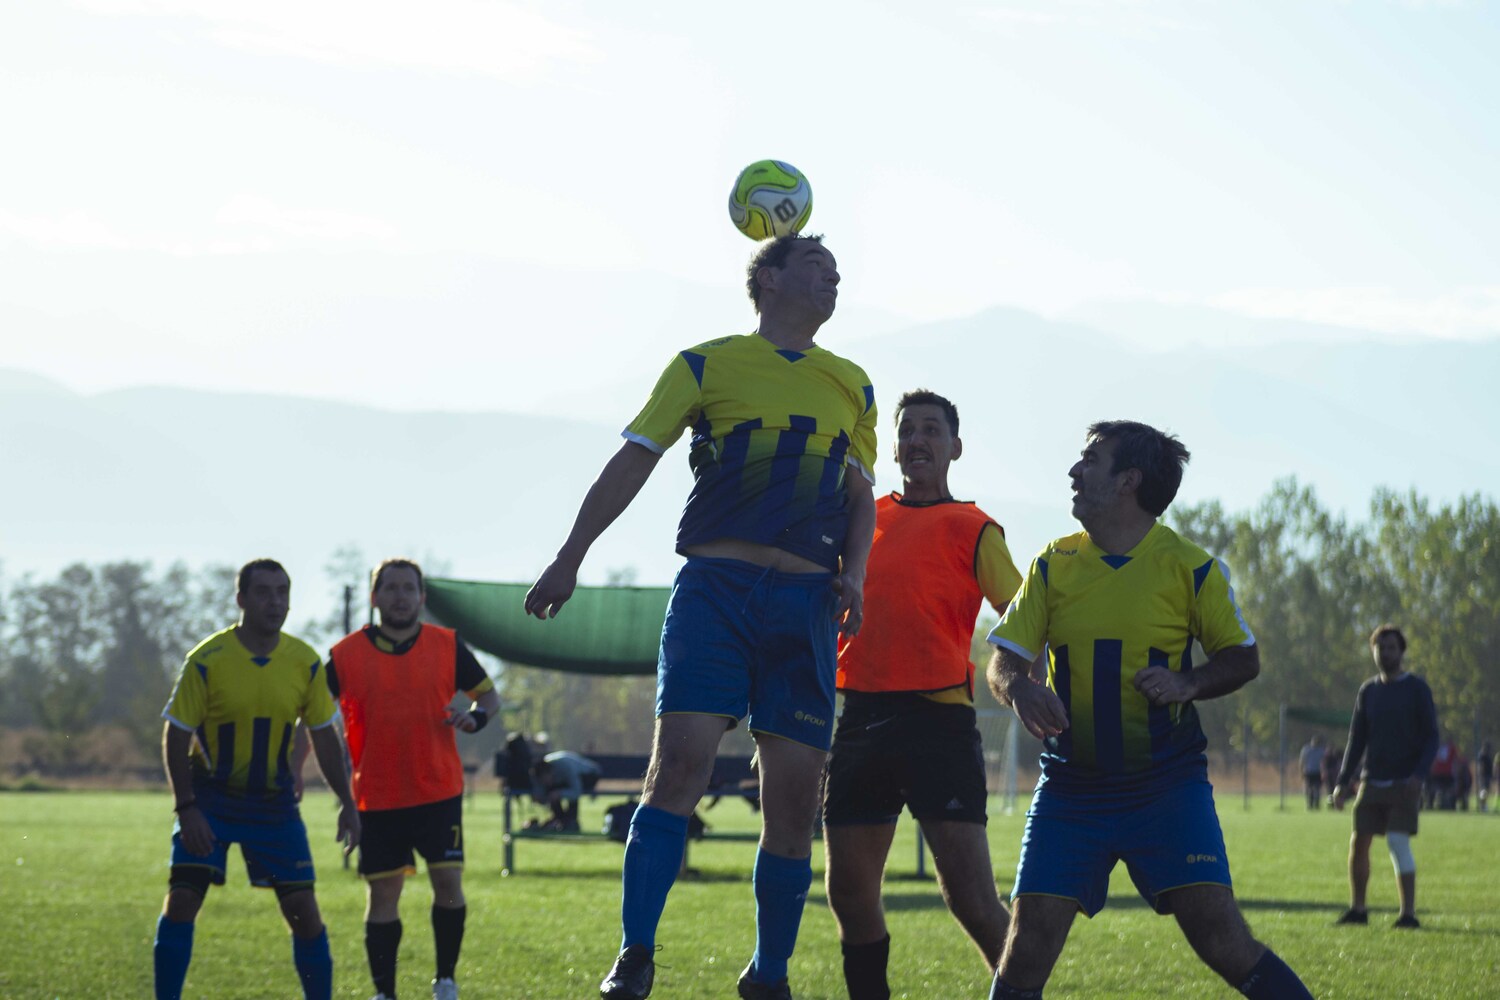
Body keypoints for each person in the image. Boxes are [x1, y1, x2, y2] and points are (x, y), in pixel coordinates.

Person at [524, 232, 878, 1000]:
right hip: (716, 593)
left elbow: (860, 496)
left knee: (793, 802)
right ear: (768, 279)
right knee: (678, 768)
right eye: (817, 267)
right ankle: (635, 954)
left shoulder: (852, 383)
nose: (833, 280)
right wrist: (570, 555)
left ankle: (769, 974)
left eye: (838, 273)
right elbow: (634, 458)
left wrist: (856, 573)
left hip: (806, 606)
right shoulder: (703, 364)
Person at [985, 421, 1313, 1000]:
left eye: (1090, 460)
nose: (1074, 471)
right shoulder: (1052, 563)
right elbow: (1003, 661)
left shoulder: (1191, 567)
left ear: (1128, 481)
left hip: (1166, 787)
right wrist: (1019, 689)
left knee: (1221, 937)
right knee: (1027, 942)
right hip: (1070, 789)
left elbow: (1243, 658)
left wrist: (1189, 682)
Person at [823, 389, 1021, 1000]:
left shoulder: (975, 528)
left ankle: (1024, 990)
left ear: (955, 447)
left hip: (940, 725)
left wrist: (1032, 686)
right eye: (907, 430)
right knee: (848, 893)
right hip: (861, 717)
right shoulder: (863, 519)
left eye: (932, 430)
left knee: (972, 900)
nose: (918, 440)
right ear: (893, 447)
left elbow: (1023, 620)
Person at [154, 559, 360, 1000]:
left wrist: (348, 801)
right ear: (241, 599)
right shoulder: (207, 659)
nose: (275, 602)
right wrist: (186, 808)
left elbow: (325, 737)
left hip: (273, 805)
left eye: (282, 592)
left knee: (304, 912)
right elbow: (176, 734)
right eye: (264, 592)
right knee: (183, 899)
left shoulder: (304, 662)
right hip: (210, 800)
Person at [324, 558, 501, 1000]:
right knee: (383, 894)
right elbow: (313, 716)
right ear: (375, 597)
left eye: (409, 588)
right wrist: (294, 767)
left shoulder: (447, 645)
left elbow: (489, 697)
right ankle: (384, 993)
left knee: (448, 886)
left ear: (421, 597)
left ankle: (445, 981)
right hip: (377, 796)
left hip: (438, 791)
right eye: (391, 588)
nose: (400, 596)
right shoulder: (344, 654)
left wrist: (475, 719)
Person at [1332, 625, 1439, 929]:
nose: (1386, 653)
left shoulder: (1417, 689)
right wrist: (1342, 782)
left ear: (1401, 652)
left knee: (1397, 842)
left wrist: (1419, 775)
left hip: (1404, 782)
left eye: (1392, 647)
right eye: (1380, 648)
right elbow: (1356, 740)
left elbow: (1432, 737)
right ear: (1373, 651)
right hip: (1372, 780)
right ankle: (1358, 910)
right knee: (1358, 843)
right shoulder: (1368, 691)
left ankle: (1408, 914)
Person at [533, 750, 603, 831]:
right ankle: (561, 820)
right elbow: (542, 797)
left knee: (568, 791)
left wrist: (560, 793)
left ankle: (571, 821)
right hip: (568, 779)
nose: (545, 783)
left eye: (545, 779)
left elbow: (576, 791)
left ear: (550, 772)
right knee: (553, 792)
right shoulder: (541, 773)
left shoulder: (565, 767)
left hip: (589, 775)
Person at [1427, 732, 1459, 809]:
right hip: (1443, 772)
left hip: (1442, 773)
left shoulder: (1438, 747)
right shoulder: (1449, 748)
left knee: (1443, 789)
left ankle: (1435, 804)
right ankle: (1434, 803)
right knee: (1440, 789)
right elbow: (1455, 761)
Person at [1300, 734, 1326, 810]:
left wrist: (1323, 771)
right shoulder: (1306, 749)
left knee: (1317, 789)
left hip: (1317, 772)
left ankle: (1316, 804)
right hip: (1309, 772)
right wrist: (1301, 771)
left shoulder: (1321, 750)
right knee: (1309, 789)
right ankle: (1309, 804)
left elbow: (1324, 762)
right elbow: (1302, 761)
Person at [1478, 740, 1494, 813]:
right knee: (1483, 791)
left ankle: (1484, 805)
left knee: (1486, 791)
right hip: (1484, 776)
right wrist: (1481, 776)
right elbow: (1481, 766)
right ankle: (1482, 806)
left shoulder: (1487, 755)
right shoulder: (1482, 755)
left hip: (1487, 776)